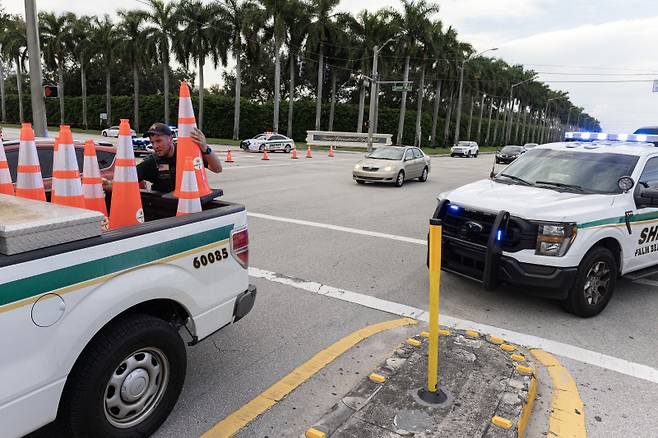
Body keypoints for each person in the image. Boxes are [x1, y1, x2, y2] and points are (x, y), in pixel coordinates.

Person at [103, 123, 222, 193]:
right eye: (152, 142)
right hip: (165, 208)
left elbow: (217, 168)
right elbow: (126, 182)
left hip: (191, 206)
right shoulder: (152, 162)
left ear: (170, 139)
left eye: (159, 141)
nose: (155, 146)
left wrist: (205, 149)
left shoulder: (187, 152)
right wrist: (106, 184)